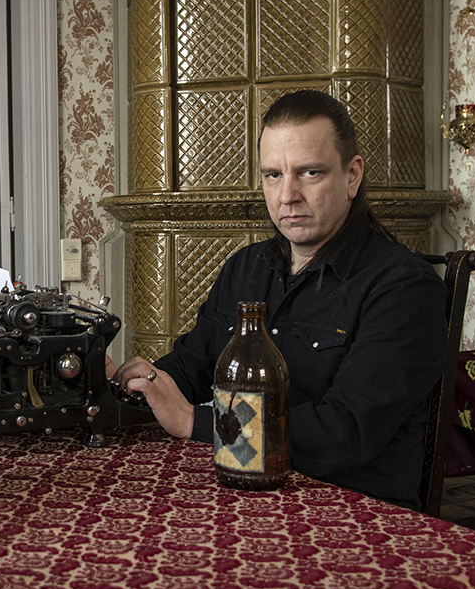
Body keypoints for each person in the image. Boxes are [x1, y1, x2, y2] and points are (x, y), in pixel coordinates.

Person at [110, 90, 447, 510]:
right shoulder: (247, 269)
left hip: (352, 510)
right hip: (246, 491)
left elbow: (345, 431)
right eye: (273, 175)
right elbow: (193, 365)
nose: (287, 195)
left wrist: (196, 423)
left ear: (353, 175)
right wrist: (133, 385)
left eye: (309, 173)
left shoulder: (405, 287)